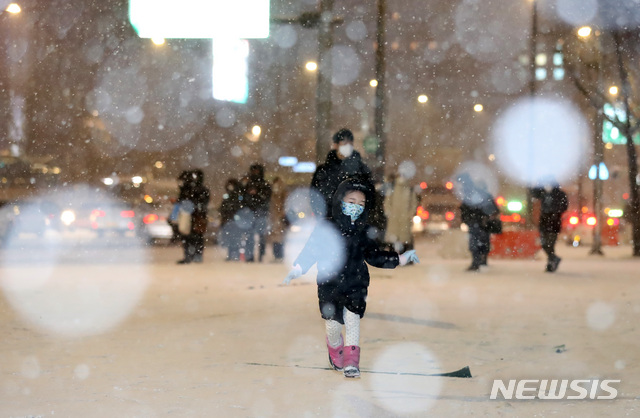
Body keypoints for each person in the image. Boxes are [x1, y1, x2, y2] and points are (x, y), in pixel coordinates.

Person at [283, 178, 420, 378]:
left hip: (356, 284)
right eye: (351, 201)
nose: (356, 207)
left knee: (352, 319)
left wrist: (399, 259)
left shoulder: (365, 231)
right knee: (333, 326)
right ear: (341, 200)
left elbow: (374, 256)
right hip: (330, 285)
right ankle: (334, 346)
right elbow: (311, 251)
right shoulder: (327, 227)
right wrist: (298, 268)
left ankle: (352, 362)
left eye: (361, 204)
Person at [310, 128, 373, 219]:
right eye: (344, 143)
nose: (348, 146)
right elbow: (315, 196)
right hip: (329, 220)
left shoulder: (361, 170)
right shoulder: (324, 170)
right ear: (335, 145)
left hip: (355, 220)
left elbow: (370, 195)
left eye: (350, 143)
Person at [458, 174, 500, 271]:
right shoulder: (485, 196)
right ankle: (481, 261)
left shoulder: (472, 196)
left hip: (476, 222)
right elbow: (494, 210)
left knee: (475, 243)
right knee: (482, 242)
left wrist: (467, 218)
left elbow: (465, 209)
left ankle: (476, 262)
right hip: (481, 223)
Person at [530, 181, 568, 272]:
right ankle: (553, 259)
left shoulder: (560, 194)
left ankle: (551, 262)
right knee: (544, 244)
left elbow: (564, 206)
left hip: (554, 223)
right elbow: (534, 193)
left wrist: (555, 212)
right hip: (544, 222)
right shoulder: (544, 192)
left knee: (550, 244)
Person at [176, 169, 210, 264]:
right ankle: (193, 255)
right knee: (193, 236)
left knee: (193, 236)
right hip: (195, 215)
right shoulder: (194, 189)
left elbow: (203, 202)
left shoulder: (193, 189)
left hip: (195, 215)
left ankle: (192, 256)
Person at [383, 172, 418, 253]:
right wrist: (389, 212)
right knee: (396, 238)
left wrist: (410, 214)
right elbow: (387, 202)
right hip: (396, 217)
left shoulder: (408, 189)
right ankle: (398, 257)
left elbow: (413, 203)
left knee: (402, 239)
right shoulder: (394, 188)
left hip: (400, 217)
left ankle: (397, 257)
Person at [243, 163, 272, 262]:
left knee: (260, 236)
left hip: (261, 211)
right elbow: (244, 198)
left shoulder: (265, 185)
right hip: (251, 212)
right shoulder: (248, 184)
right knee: (250, 235)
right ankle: (250, 256)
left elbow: (267, 198)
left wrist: (257, 195)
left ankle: (260, 255)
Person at [219, 178, 244, 261]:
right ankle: (231, 254)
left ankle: (235, 254)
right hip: (228, 220)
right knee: (230, 238)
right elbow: (223, 207)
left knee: (235, 238)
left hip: (234, 220)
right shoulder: (227, 196)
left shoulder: (238, 196)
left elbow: (238, 207)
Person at [269, 176, 287, 261]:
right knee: (275, 238)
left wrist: (281, 214)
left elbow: (286, 205)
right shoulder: (273, 194)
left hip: (280, 218)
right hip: (274, 218)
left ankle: (280, 255)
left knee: (280, 238)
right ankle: (277, 255)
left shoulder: (284, 194)